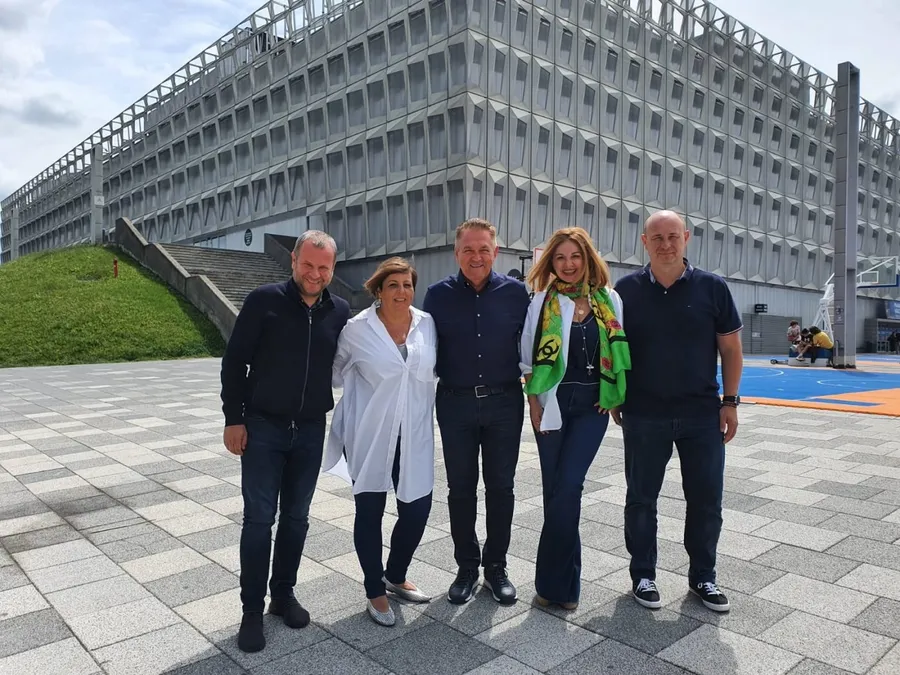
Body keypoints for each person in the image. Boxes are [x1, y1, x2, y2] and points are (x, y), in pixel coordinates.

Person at [220, 230, 350, 653]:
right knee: (259, 519)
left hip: (310, 429)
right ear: (293, 260)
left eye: (323, 267)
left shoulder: (339, 310)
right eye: (307, 264)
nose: (314, 274)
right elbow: (234, 362)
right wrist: (233, 419)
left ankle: (283, 595)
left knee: (297, 518)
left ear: (332, 268)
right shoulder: (264, 301)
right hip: (263, 427)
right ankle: (251, 610)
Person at [612, 210, 743, 614]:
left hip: (702, 414)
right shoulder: (624, 291)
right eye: (657, 238)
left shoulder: (712, 287)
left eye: (673, 236)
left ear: (686, 237)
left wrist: (730, 402)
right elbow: (612, 349)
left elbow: (731, 349)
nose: (666, 244)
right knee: (641, 499)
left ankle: (703, 576)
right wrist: (616, 394)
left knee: (706, 500)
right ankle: (643, 574)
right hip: (643, 413)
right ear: (644, 242)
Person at [520, 227, 629, 610]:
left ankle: (556, 587)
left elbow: (619, 351)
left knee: (568, 486)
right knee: (555, 491)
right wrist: (533, 401)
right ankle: (562, 588)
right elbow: (528, 356)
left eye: (575, 256)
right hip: (552, 402)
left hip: (591, 407)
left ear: (588, 259)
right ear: (551, 262)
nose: (568, 264)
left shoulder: (609, 299)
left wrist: (612, 395)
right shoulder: (541, 302)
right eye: (560, 257)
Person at [423, 218, 531, 605]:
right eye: (468, 249)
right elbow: (422, 351)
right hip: (455, 403)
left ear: (495, 251)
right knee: (460, 489)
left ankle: (496, 567)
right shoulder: (437, 296)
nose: (476, 256)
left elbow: (534, 346)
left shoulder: (517, 294)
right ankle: (467, 568)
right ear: (456, 253)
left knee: (501, 487)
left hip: (505, 402)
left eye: (484, 249)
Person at [324, 257, 436, 627]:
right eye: (393, 285)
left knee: (417, 510)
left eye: (407, 285)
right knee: (370, 510)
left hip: (415, 434)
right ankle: (375, 588)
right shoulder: (357, 329)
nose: (401, 292)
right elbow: (335, 373)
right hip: (369, 434)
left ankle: (395, 574)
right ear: (378, 290)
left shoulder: (427, 324)